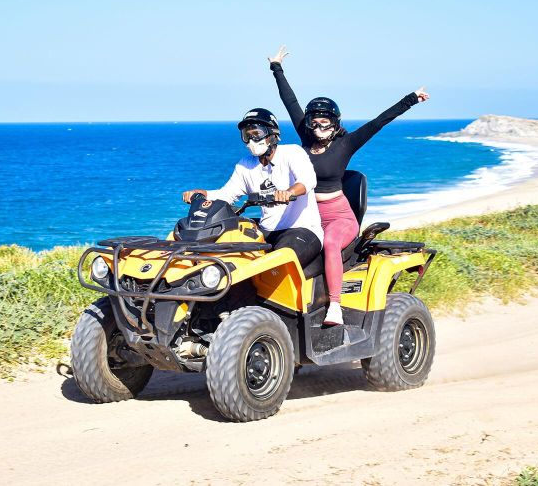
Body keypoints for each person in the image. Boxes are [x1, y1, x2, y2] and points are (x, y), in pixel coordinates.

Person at [267, 45, 429, 325]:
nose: (318, 126)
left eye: (324, 121)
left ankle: (334, 307)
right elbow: (290, 102)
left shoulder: (346, 144)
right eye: (314, 122)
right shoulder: (305, 140)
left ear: (334, 123)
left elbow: (380, 122)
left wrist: (411, 99)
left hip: (338, 217)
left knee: (330, 244)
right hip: (307, 215)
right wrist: (276, 68)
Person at [182, 108, 323, 270]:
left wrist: (289, 192)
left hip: (302, 230)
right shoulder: (245, 165)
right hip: (266, 231)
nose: (251, 140)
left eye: (256, 134)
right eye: (246, 135)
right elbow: (226, 194)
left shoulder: (292, 153)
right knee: (228, 256)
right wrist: (202, 193)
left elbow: (308, 180)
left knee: (276, 265)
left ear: (271, 134)